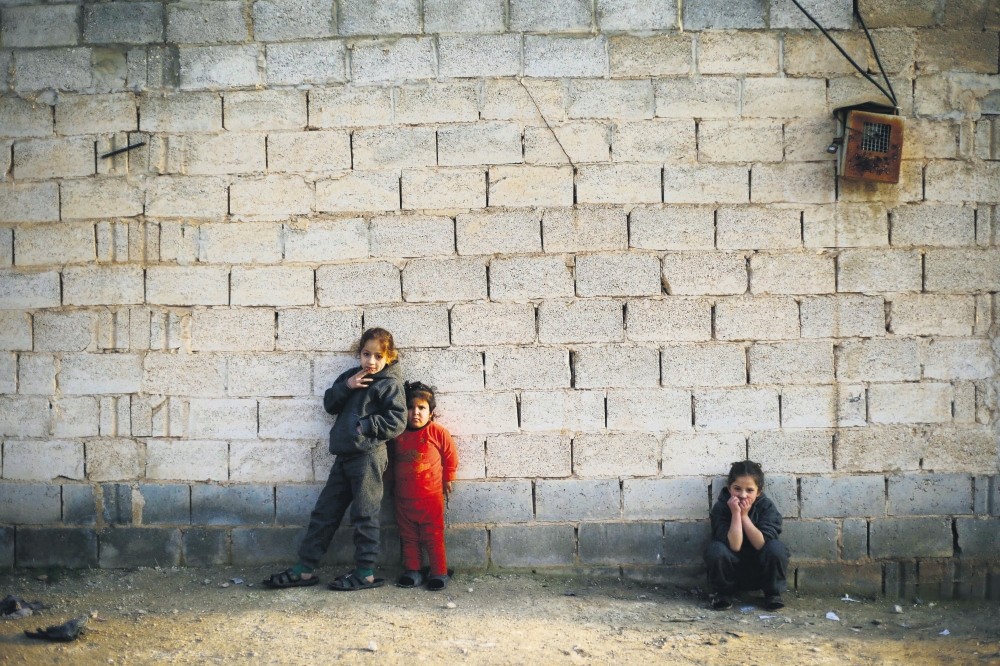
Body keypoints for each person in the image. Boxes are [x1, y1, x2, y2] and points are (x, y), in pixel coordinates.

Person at [263, 327, 406, 591]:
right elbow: (330, 404)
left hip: (368, 456)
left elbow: (397, 421)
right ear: (359, 353)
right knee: (325, 513)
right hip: (344, 456)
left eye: (377, 356)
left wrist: (366, 425)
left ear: (389, 357)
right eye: (366, 354)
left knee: (364, 514)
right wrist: (347, 387)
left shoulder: (390, 384)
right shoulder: (351, 377)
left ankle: (365, 573)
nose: (371, 362)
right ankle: (304, 570)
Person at [389, 381, 458, 591]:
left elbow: (450, 456)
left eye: (421, 408)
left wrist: (449, 478)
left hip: (430, 499)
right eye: (410, 407)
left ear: (431, 412)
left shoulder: (438, 432)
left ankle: (439, 572)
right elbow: (390, 462)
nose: (415, 413)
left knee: (433, 537)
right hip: (403, 500)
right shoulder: (397, 435)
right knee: (408, 537)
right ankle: (413, 570)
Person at [704, 460, 789, 611]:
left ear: (759, 491)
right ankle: (723, 594)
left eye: (749, 490)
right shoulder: (721, 508)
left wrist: (745, 517)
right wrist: (736, 514)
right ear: (729, 488)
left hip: (761, 571)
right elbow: (735, 546)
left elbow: (760, 544)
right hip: (731, 572)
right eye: (737, 489)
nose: (743, 495)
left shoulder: (766, 507)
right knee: (715, 549)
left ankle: (772, 594)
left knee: (777, 548)